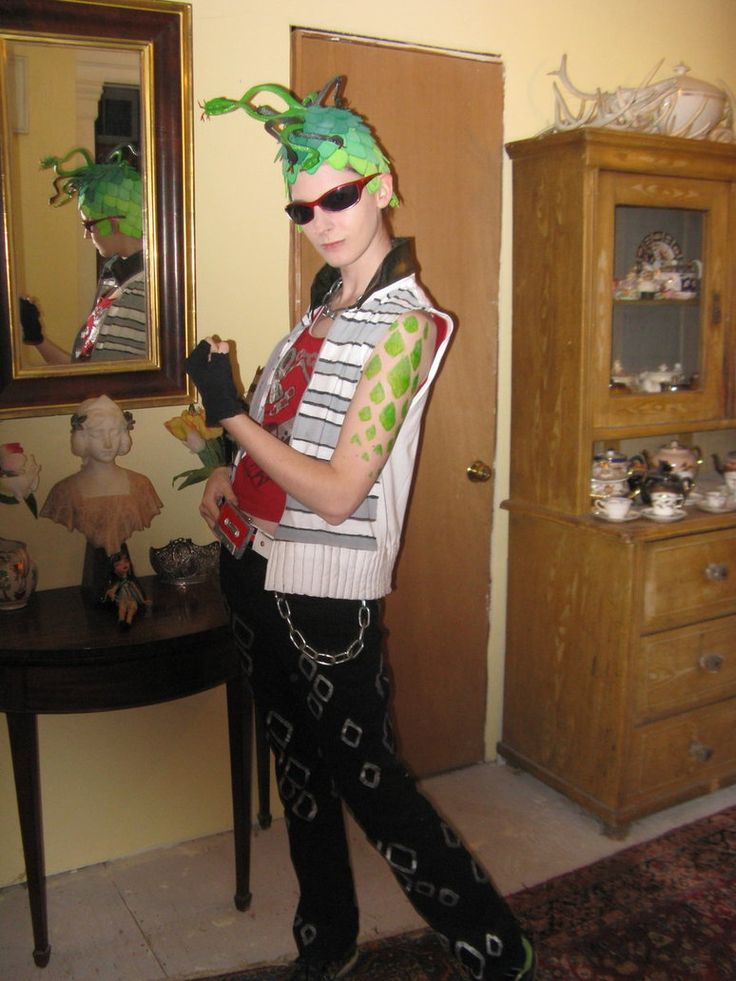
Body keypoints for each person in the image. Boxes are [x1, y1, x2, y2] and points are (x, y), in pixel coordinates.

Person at [187, 77, 536, 981]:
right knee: (299, 776)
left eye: (339, 194)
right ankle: (327, 937)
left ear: (379, 183)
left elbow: (341, 493)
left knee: (374, 789)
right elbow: (286, 448)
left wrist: (230, 417)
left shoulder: (406, 326)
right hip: (256, 569)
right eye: (303, 205)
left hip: (326, 596)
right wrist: (231, 471)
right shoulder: (319, 312)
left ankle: (497, 950)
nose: (322, 217)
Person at [19, 146, 147, 363]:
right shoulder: (113, 278)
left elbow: (107, 390)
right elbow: (84, 373)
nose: (87, 236)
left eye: (89, 225)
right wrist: (37, 338)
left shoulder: (140, 289)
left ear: (113, 222)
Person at [41, 394, 162, 557]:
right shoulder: (65, 491)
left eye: (113, 433)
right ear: (82, 437)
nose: (108, 443)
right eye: (97, 434)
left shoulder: (141, 485)